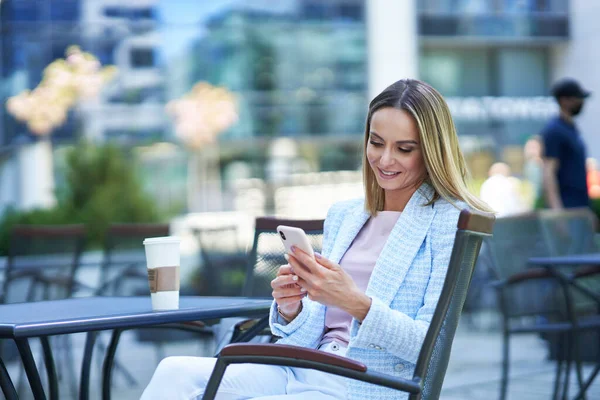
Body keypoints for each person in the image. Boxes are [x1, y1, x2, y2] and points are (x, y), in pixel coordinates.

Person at [140, 79, 492, 400]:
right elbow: (313, 330)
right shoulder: (346, 215)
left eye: (404, 149)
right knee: (175, 372)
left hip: (367, 384)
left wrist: (356, 302)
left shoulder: (449, 220)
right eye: (376, 142)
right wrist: (292, 309)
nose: (385, 159)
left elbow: (429, 345)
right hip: (304, 367)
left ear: (431, 149)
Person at [541, 78, 591, 209]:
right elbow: (548, 172)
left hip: (579, 204)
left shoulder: (571, 128)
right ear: (564, 100)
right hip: (567, 205)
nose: (581, 102)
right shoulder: (554, 130)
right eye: (577, 98)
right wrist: (558, 212)